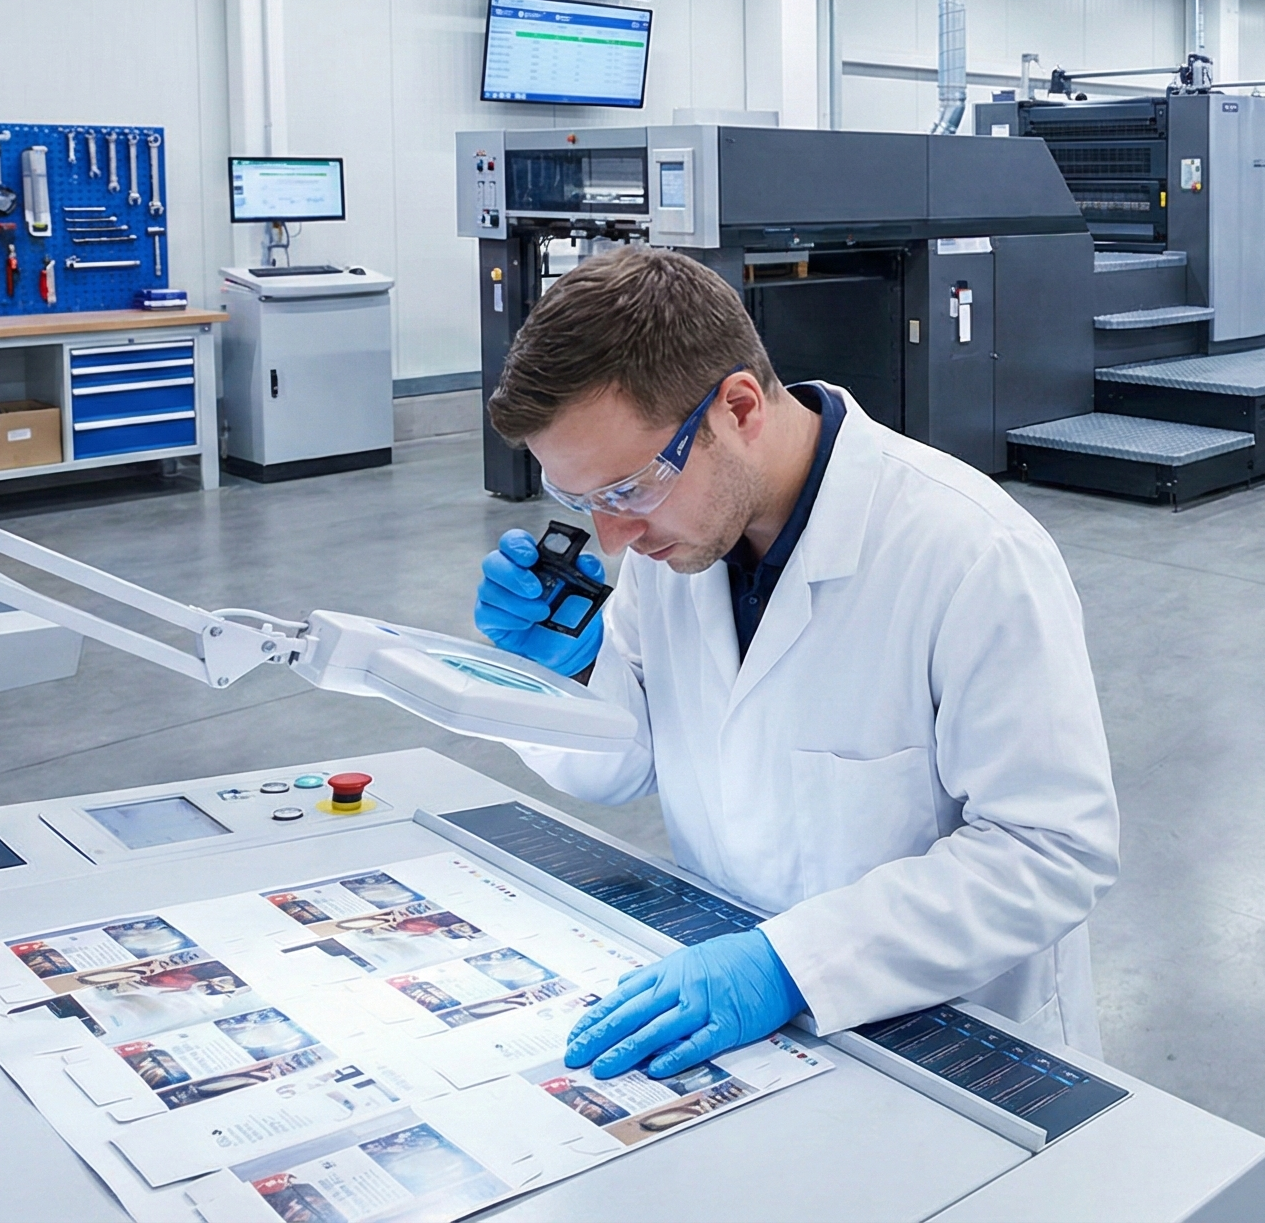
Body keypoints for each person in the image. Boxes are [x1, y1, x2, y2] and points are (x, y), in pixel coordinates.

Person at [472, 247, 1118, 1082]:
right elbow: (620, 768)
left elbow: (1053, 849)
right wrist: (564, 676)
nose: (613, 538)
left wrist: (787, 964)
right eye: (585, 501)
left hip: (951, 1042)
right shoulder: (678, 546)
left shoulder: (969, 552)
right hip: (740, 1035)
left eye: (628, 488)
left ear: (738, 407)